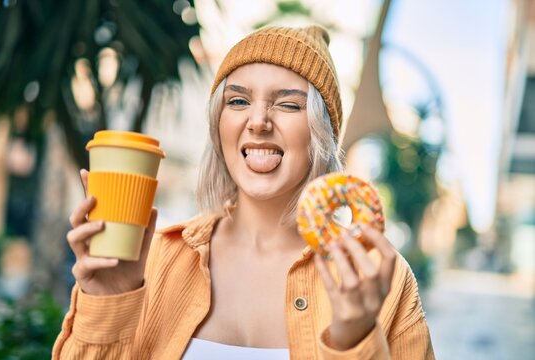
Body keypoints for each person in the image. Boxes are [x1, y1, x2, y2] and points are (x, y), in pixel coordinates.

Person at [53, 25, 434, 359]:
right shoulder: (153, 262)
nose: (258, 122)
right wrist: (108, 302)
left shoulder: (380, 279)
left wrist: (356, 342)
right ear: (219, 123)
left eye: (288, 104)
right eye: (238, 101)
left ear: (321, 132)